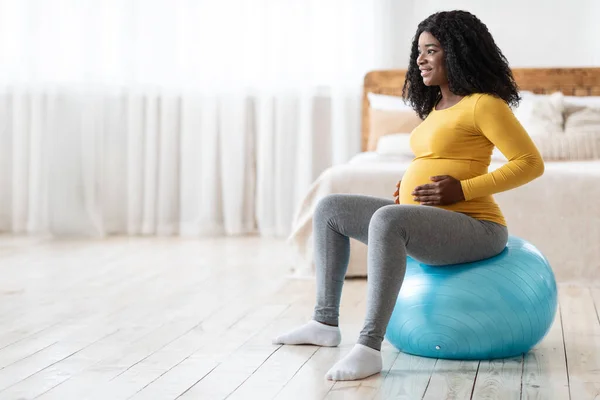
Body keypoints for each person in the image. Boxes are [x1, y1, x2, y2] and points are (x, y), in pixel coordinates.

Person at [273, 10, 545, 381]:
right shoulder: (435, 107)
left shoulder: (485, 103)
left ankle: (369, 347)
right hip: (425, 220)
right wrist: (407, 184)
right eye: (419, 51)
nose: (420, 59)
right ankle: (324, 323)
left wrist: (461, 189)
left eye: (432, 50)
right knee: (330, 208)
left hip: (476, 227)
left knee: (387, 219)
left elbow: (530, 163)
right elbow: (436, 156)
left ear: (458, 52)